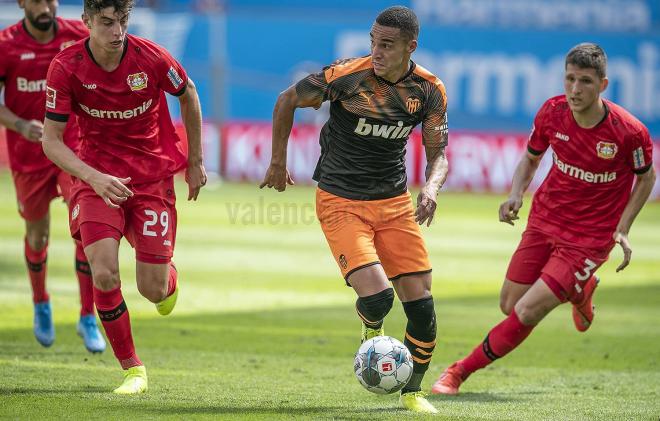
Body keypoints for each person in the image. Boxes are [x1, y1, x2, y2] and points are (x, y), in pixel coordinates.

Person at [432, 43, 656, 395]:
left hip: (589, 239)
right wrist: (515, 193)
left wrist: (623, 229)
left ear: (603, 85)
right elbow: (531, 157)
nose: (575, 89)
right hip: (545, 219)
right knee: (508, 304)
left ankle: (458, 372)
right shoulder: (552, 112)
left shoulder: (629, 132)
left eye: (585, 81)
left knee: (526, 310)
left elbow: (647, 177)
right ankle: (581, 290)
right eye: (570, 79)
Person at [261, 6, 448, 414]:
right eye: (373, 42)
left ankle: (413, 392)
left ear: (410, 47)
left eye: (387, 45)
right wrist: (278, 161)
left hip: (395, 204)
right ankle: (371, 325)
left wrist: (431, 188)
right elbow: (286, 99)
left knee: (422, 305)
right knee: (380, 299)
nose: (377, 52)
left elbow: (439, 156)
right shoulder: (347, 77)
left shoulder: (429, 90)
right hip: (341, 199)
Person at [41, 0, 206, 394]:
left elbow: (189, 93)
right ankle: (133, 369)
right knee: (104, 271)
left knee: (153, 289)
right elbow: (51, 141)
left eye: (123, 22)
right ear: (87, 22)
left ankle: (167, 278)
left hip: (151, 180)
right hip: (96, 179)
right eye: (107, 23)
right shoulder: (65, 67)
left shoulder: (150, 57)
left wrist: (195, 161)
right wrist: (92, 177)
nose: (117, 32)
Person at [0, 0, 106, 352]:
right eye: (37, 0)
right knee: (37, 234)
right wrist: (17, 124)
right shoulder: (6, 44)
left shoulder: (78, 35)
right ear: (21, 4)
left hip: (71, 152)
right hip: (27, 156)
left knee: (85, 232)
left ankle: (87, 315)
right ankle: (41, 302)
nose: (45, 6)